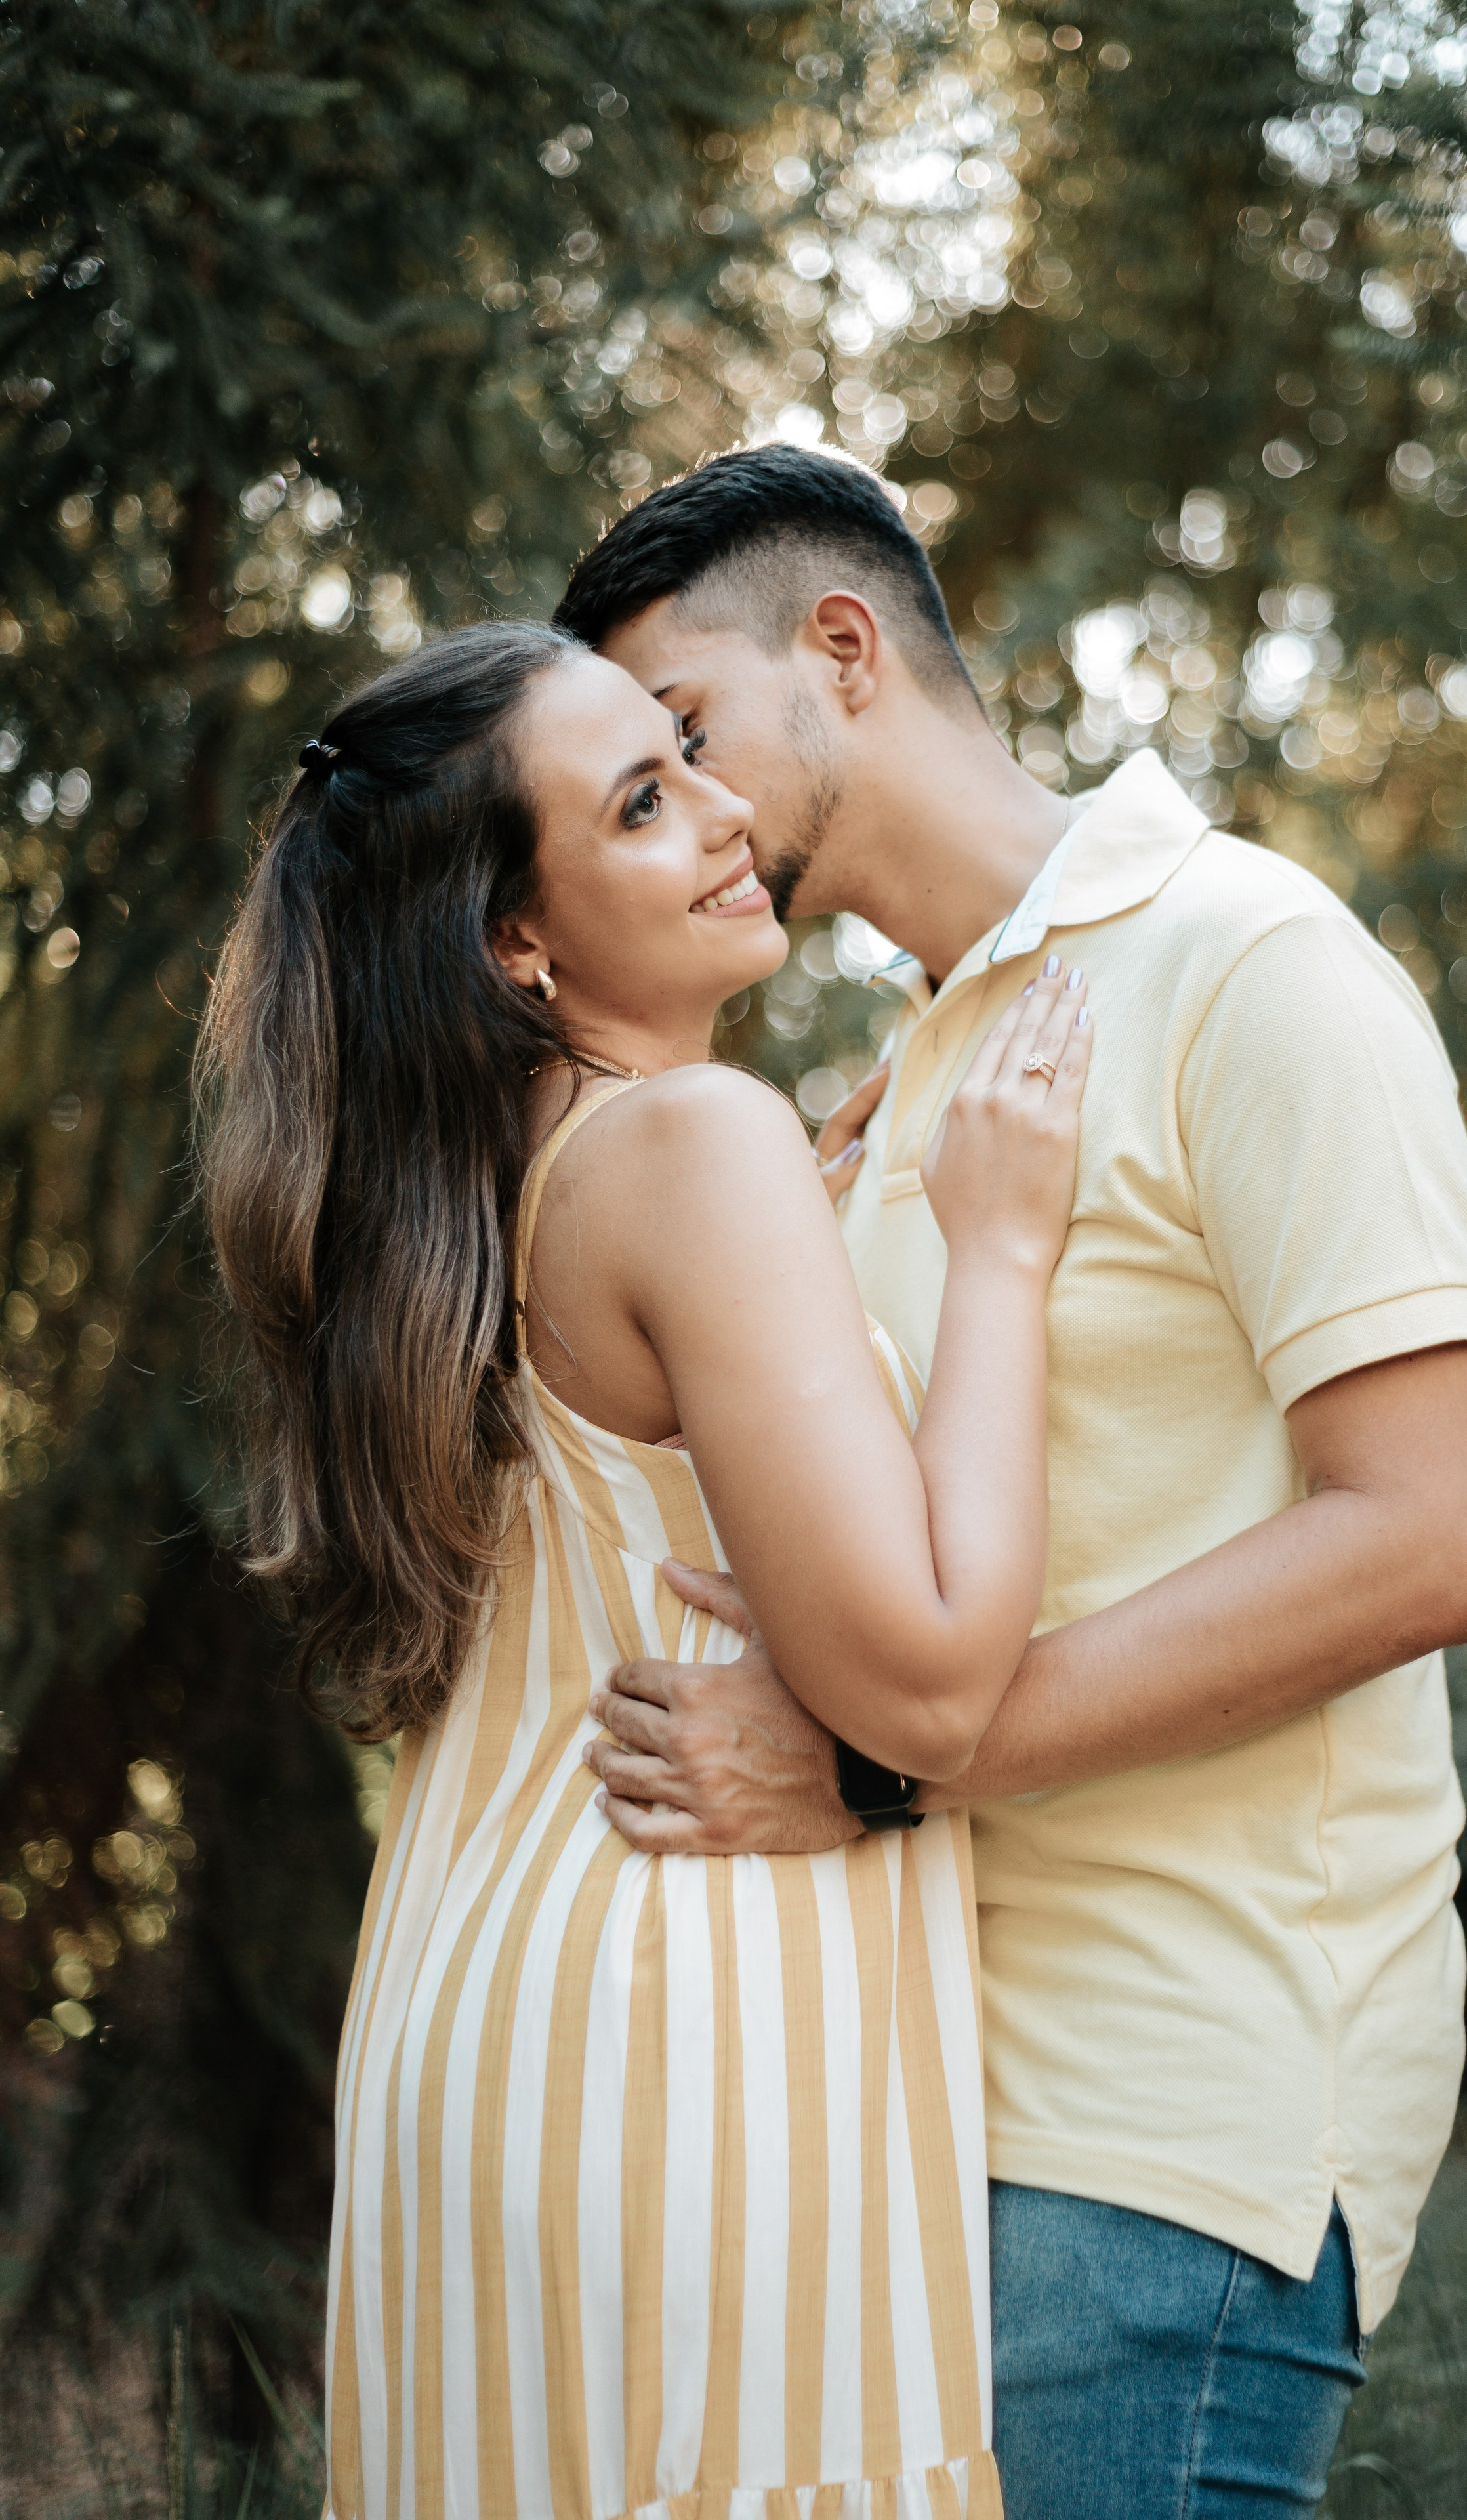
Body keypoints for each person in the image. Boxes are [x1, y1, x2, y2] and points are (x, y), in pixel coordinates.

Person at [556, 444, 1467, 2520]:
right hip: (910, 2097)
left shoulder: (1250, 958)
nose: (688, 808)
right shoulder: (896, 1089)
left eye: (689, 731)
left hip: (1158, 2134)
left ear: (844, 649)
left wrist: (887, 1765)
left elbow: (1429, 1535)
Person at [194, 616, 1097, 2519]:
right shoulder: (693, 1142)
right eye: (637, 803)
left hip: (483, 2008)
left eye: (687, 755)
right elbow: (932, 1681)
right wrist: (1002, 1253)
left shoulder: (460, 1201)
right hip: (690, 2018)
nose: (722, 812)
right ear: (515, 943)